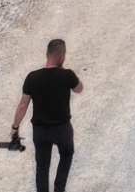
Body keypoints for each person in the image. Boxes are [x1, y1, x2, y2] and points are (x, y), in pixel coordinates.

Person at [11, 38, 83, 192]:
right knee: (66, 154)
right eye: (64, 54)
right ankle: (59, 189)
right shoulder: (67, 75)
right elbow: (79, 89)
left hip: (40, 131)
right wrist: (66, 72)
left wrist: (15, 127)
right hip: (62, 129)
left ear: (48, 54)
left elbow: (23, 105)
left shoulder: (32, 77)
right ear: (59, 54)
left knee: (42, 166)